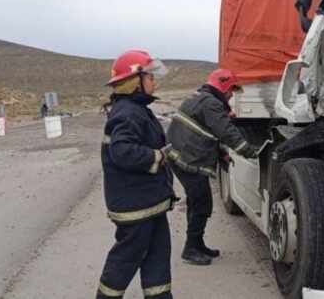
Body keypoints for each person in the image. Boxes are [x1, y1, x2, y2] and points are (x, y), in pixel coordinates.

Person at [96, 50, 176, 299]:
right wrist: (156, 157)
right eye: (150, 77)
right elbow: (122, 150)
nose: (154, 81)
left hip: (149, 203)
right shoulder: (128, 112)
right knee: (126, 258)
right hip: (135, 207)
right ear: (135, 81)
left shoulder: (136, 109)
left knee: (157, 255)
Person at [165, 68, 258, 265]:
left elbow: (207, 131)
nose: (231, 95)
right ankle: (191, 248)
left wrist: (221, 153)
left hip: (181, 155)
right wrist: (251, 152)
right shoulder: (212, 104)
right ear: (223, 86)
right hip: (187, 159)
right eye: (231, 90)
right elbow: (226, 131)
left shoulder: (200, 98)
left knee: (197, 201)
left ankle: (196, 244)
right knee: (201, 202)